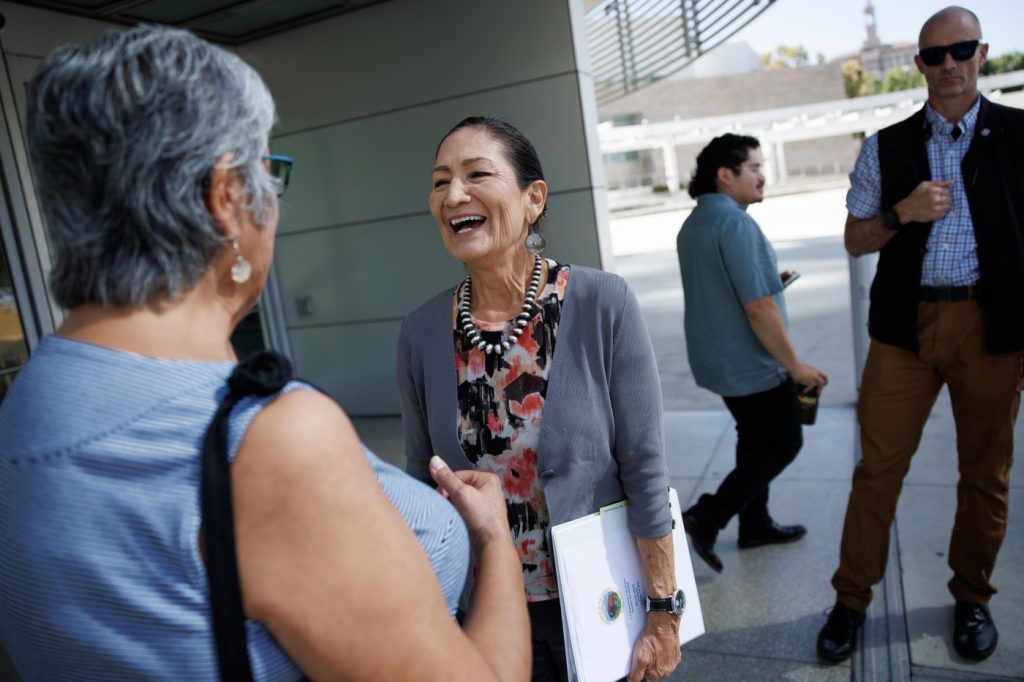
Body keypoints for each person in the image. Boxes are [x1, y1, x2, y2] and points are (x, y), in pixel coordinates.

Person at [0, 25, 530, 681]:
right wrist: (494, 539)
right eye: (267, 173)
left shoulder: (26, 400)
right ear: (226, 199)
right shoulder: (269, 439)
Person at [398, 116, 683, 682]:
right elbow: (419, 485)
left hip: (601, 605)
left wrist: (662, 609)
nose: (454, 195)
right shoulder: (421, 331)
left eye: (477, 174)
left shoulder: (604, 303)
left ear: (534, 199)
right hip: (485, 611)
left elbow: (645, 467)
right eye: (440, 181)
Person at [817, 5, 1024, 664]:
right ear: (919, 65)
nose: (949, 65)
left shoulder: (1020, 136)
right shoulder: (888, 145)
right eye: (935, 55)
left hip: (992, 328)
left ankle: (972, 598)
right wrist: (901, 214)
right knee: (877, 470)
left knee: (985, 474)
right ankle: (850, 602)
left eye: (961, 50)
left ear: (982, 53)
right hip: (905, 330)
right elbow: (855, 240)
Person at [675, 133, 828, 574]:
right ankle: (708, 516)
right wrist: (794, 366)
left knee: (755, 437)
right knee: (783, 441)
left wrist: (767, 278)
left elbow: (722, 286)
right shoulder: (736, 223)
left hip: (716, 360)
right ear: (726, 176)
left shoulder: (695, 223)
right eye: (754, 168)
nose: (763, 176)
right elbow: (757, 307)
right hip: (751, 363)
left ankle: (755, 524)